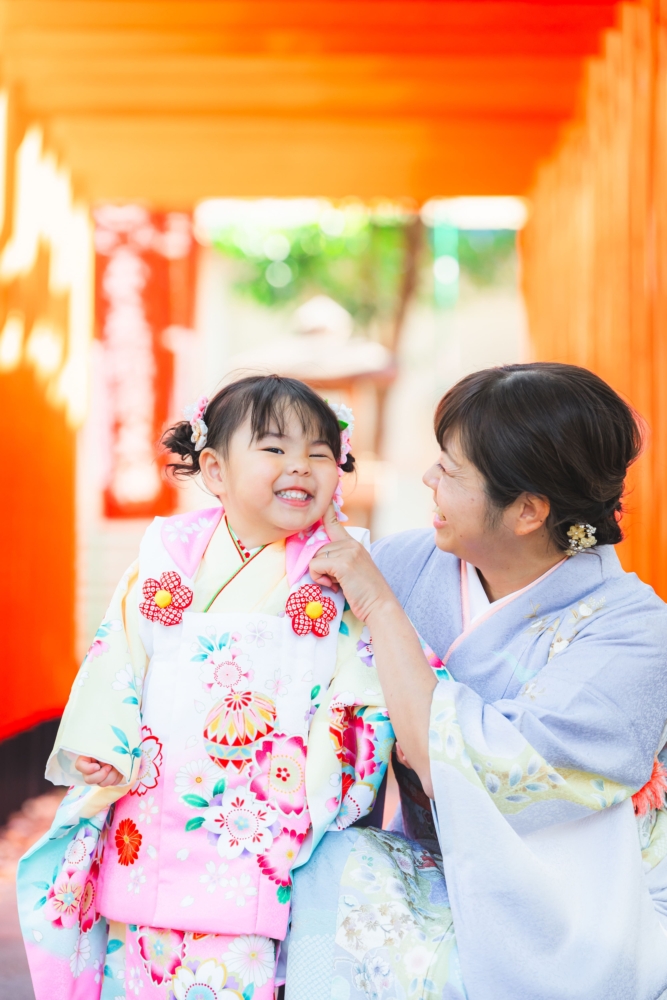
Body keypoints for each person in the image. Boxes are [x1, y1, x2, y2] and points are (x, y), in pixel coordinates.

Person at [284, 363, 667, 1000]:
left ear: (527, 511)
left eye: (452, 471)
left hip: (580, 905)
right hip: (439, 874)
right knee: (318, 870)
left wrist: (381, 611)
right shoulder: (409, 564)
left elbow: (481, 771)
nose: (430, 478)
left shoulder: (632, 631)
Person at [17, 375, 395, 1000]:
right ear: (215, 470)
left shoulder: (339, 565)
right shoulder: (169, 552)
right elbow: (122, 650)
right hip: (153, 806)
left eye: (320, 453)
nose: (300, 466)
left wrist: (322, 786)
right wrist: (102, 745)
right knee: (139, 965)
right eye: (273, 449)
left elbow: (360, 682)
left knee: (244, 971)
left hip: (263, 820)